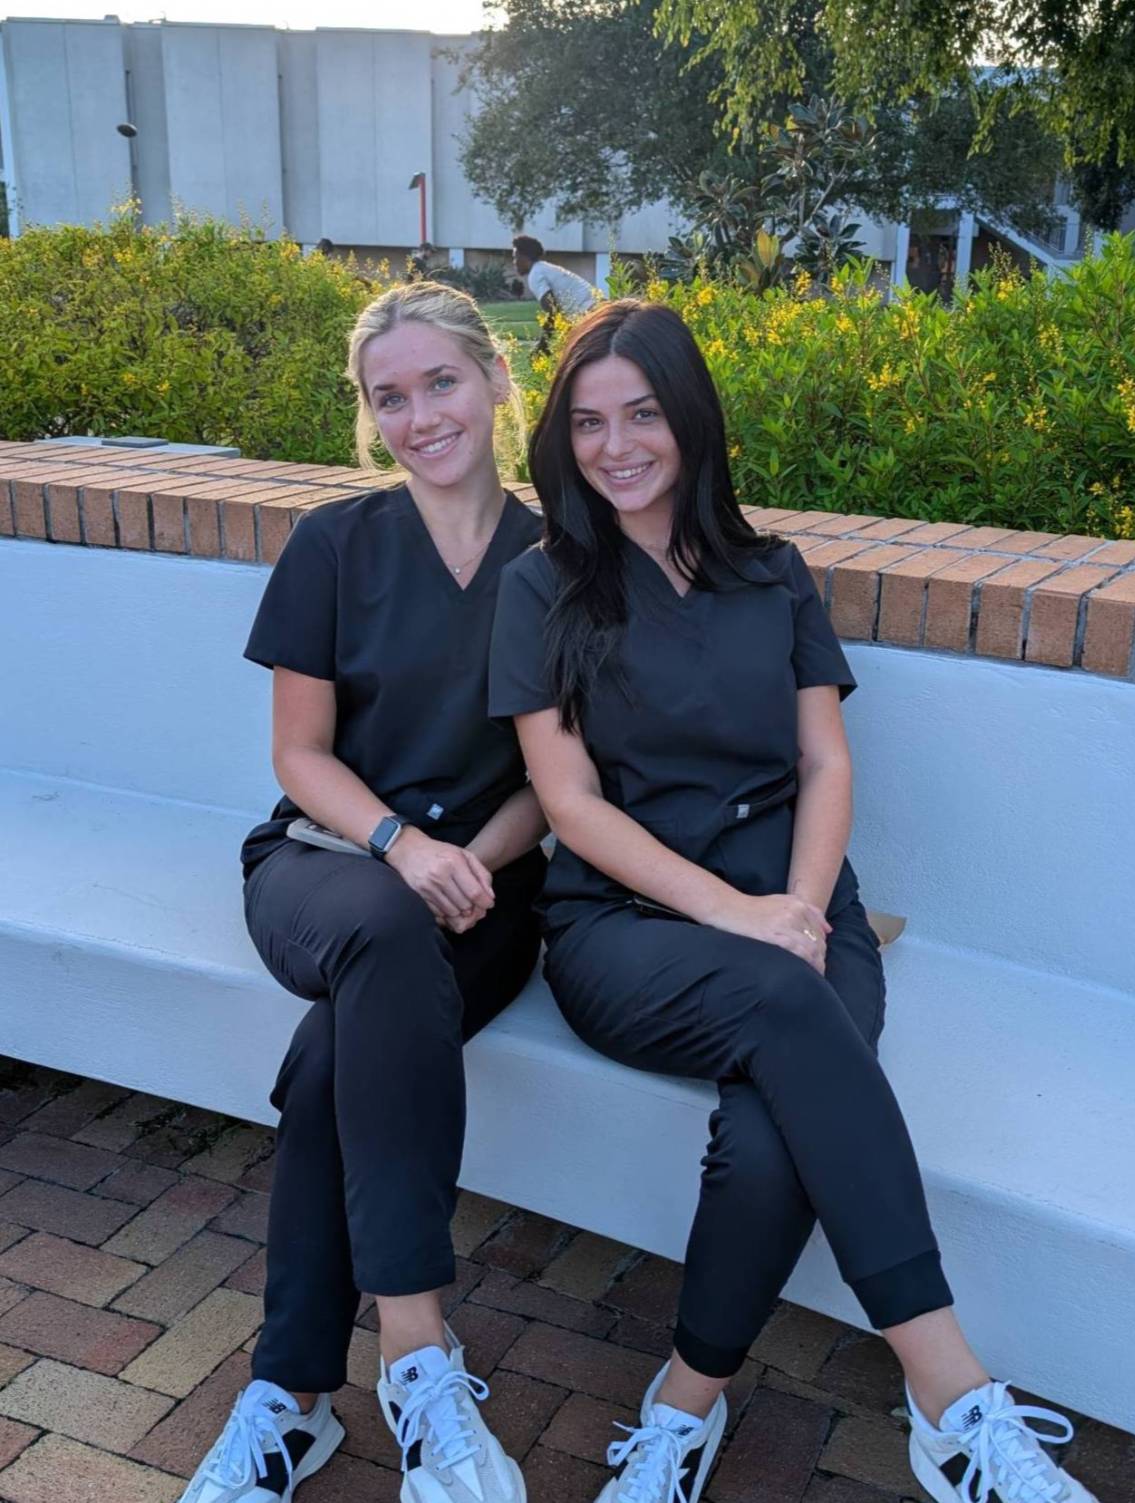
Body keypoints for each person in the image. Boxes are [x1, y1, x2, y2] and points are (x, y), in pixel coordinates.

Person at [488, 298, 1099, 1503]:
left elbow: (826, 764)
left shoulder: (772, 574)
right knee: (783, 1011)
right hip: (628, 926)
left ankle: (681, 1410)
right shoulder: (542, 585)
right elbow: (569, 805)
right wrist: (740, 917)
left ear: (691, 420)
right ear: (563, 437)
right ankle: (954, 1397)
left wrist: (804, 909)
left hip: (798, 909)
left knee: (769, 1139)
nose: (617, 446)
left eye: (644, 415)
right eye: (591, 421)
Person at [179, 282, 547, 1503]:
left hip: (486, 891)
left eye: (441, 381)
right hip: (326, 866)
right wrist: (401, 846)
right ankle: (418, 1358)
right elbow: (299, 756)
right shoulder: (335, 543)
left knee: (336, 1062)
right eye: (390, 396)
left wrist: (470, 862)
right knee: (383, 936)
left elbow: (566, 778)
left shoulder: (563, 560)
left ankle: (286, 1401)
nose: (419, 414)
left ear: (496, 379)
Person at [512, 234, 601, 321]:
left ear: (524, 257)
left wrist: (545, 333)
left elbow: (553, 311)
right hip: (600, 308)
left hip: (592, 314)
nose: (514, 262)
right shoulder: (543, 268)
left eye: (515, 257)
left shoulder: (535, 274)